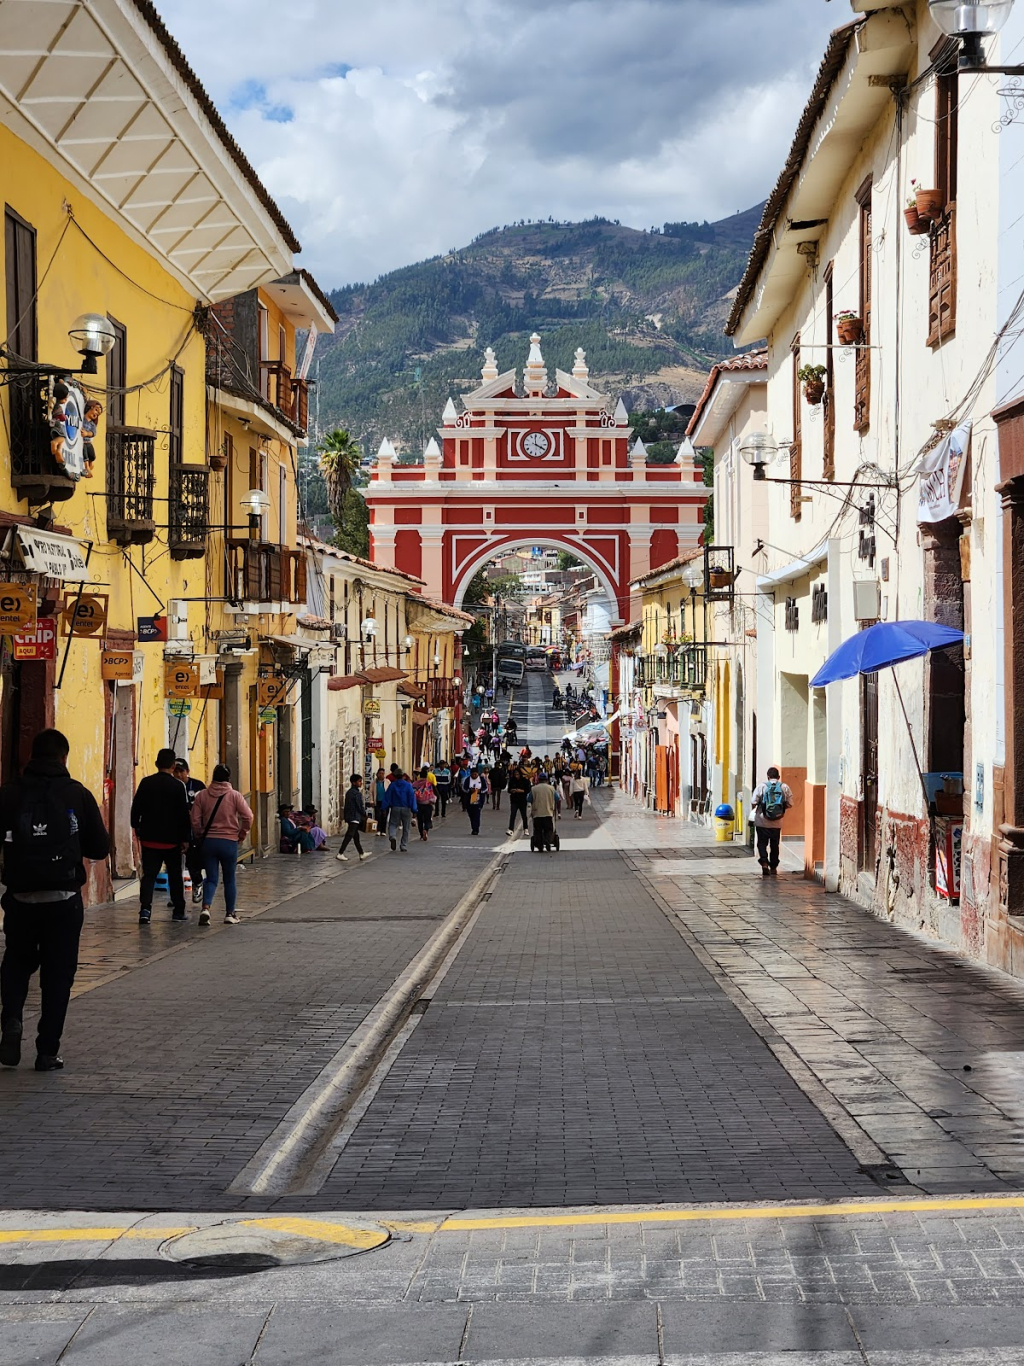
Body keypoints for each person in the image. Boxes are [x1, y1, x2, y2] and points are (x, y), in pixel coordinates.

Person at [0, 729, 109, 1071]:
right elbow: (100, 848)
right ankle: (47, 1050)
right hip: (63, 899)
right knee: (58, 974)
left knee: (16, 963)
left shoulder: (9, 794)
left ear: (31, 757)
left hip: (20, 896)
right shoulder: (77, 793)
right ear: (64, 757)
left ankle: (12, 1018)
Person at [131, 747, 191, 925]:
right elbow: (183, 815)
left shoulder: (145, 783)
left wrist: (138, 829)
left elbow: (136, 810)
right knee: (175, 875)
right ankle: (178, 911)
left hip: (149, 839)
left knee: (149, 876)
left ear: (157, 764)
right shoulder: (178, 786)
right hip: (172, 841)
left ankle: (145, 910)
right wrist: (185, 838)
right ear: (173, 766)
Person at [191, 764, 253, 924]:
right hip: (229, 842)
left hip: (209, 842)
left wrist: (199, 834)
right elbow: (248, 816)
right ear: (228, 778)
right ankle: (229, 914)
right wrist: (242, 833)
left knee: (211, 878)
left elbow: (195, 820)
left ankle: (205, 907)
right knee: (229, 879)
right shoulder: (235, 796)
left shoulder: (202, 796)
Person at [174, 758, 206, 904]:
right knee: (174, 865)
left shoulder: (198, 786)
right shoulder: (173, 787)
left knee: (193, 862)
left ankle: (197, 884)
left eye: (181, 771)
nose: (179, 775)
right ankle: (176, 896)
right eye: (176, 772)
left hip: (194, 832)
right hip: (177, 830)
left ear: (187, 772)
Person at [752, 766, 793, 876]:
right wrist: (779, 809)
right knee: (775, 845)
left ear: (768, 777)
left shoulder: (762, 787)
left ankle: (764, 863)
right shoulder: (784, 787)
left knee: (762, 843)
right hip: (777, 822)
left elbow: (753, 801)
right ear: (778, 777)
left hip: (762, 821)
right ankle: (774, 867)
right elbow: (790, 804)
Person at [337, 775, 371, 862]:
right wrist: (364, 814)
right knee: (349, 835)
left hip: (350, 816)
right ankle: (340, 853)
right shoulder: (357, 794)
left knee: (356, 836)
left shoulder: (349, 792)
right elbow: (359, 806)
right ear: (354, 782)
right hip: (355, 816)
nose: (361, 783)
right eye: (359, 781)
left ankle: (361, 853)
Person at [382, 771, 417, 852]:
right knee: (406, 827)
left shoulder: (392, 785)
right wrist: (414, 810)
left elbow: (387, 797)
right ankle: (403, 845)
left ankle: (392, 836)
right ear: (403, 776)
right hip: (406, 808)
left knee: (393, 824)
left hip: (395, 808)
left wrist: (384, 808)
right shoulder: (408, 786)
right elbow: (412, 798)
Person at [530, 771, 558, 852]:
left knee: (538, 829)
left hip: (537, 813)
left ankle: (540, 845)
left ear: (538, 780)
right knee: (549, 829)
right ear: (546, 780)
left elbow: (528, 798)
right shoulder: (551, 788)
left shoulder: (534, 789)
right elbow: (557, 798)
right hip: (548, 812)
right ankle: (547, 840)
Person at [506, 762, 531, 837]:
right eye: (515, 774)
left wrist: (521, 791)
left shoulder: (525, 781)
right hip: (514, 800)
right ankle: (511, 829)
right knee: (513, 814)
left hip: (522, 800)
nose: (516, 776)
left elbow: (528, 790)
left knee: (524, 815)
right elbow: (508, 790)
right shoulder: (512, 781)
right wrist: (512, 790)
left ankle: (526, 829)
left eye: (518, 774)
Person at [413, 766, 436, 841]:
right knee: (427, 819)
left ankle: (421, 834)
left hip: (418, 804)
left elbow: (413, 793)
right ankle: (426, 830)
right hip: (428, 804)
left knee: (420, 820)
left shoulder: (415, 784)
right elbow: (432, 793)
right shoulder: (429, 784)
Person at [466, 764, 489, 836]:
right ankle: (473, 827)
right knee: (471, 815)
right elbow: (464, 789)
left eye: (475, 774)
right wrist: (470, 790)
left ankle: (476, 829)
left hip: (478, 800)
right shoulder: (468, 780)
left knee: (477, 815)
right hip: (469, 801)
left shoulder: (481, 780)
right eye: (473, 774)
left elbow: (486, 788)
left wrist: (480, 791)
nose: (474, 776)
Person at [373, 768, 388, 837]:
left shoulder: (387, 782)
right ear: (377, 774)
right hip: (377, 801)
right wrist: (371, 800)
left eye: (382, 773)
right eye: (380, 773)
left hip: (385, 801)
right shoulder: (374, 783)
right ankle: (378, 830)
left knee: (384, 816)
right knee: (378, 815)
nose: (381, 775)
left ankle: (383, 830)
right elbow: (371, 792)